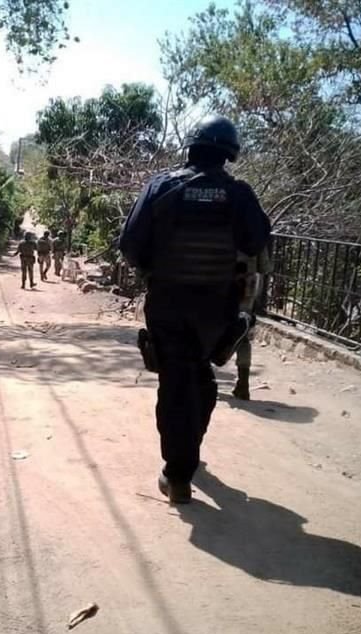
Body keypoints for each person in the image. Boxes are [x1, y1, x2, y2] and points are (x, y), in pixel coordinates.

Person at [119, 115, 271, 504]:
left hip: (168, 303)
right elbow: (256, 240)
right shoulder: (238, 193)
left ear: (190, 147)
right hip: (215, 308)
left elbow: (131, 246)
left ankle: (178, 474)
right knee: (199, 377)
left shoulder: (161, 186)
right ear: (229, 155)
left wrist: (159, 263)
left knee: (175, 382)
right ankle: (186, 460)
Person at [232, 248, 272, 400]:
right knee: (243, 334)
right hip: (246, 286)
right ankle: (243, 383)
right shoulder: (254, 225)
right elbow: (265, 268)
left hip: (218, 284)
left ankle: (203, 376)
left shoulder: (216, 223)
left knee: (208, 328)